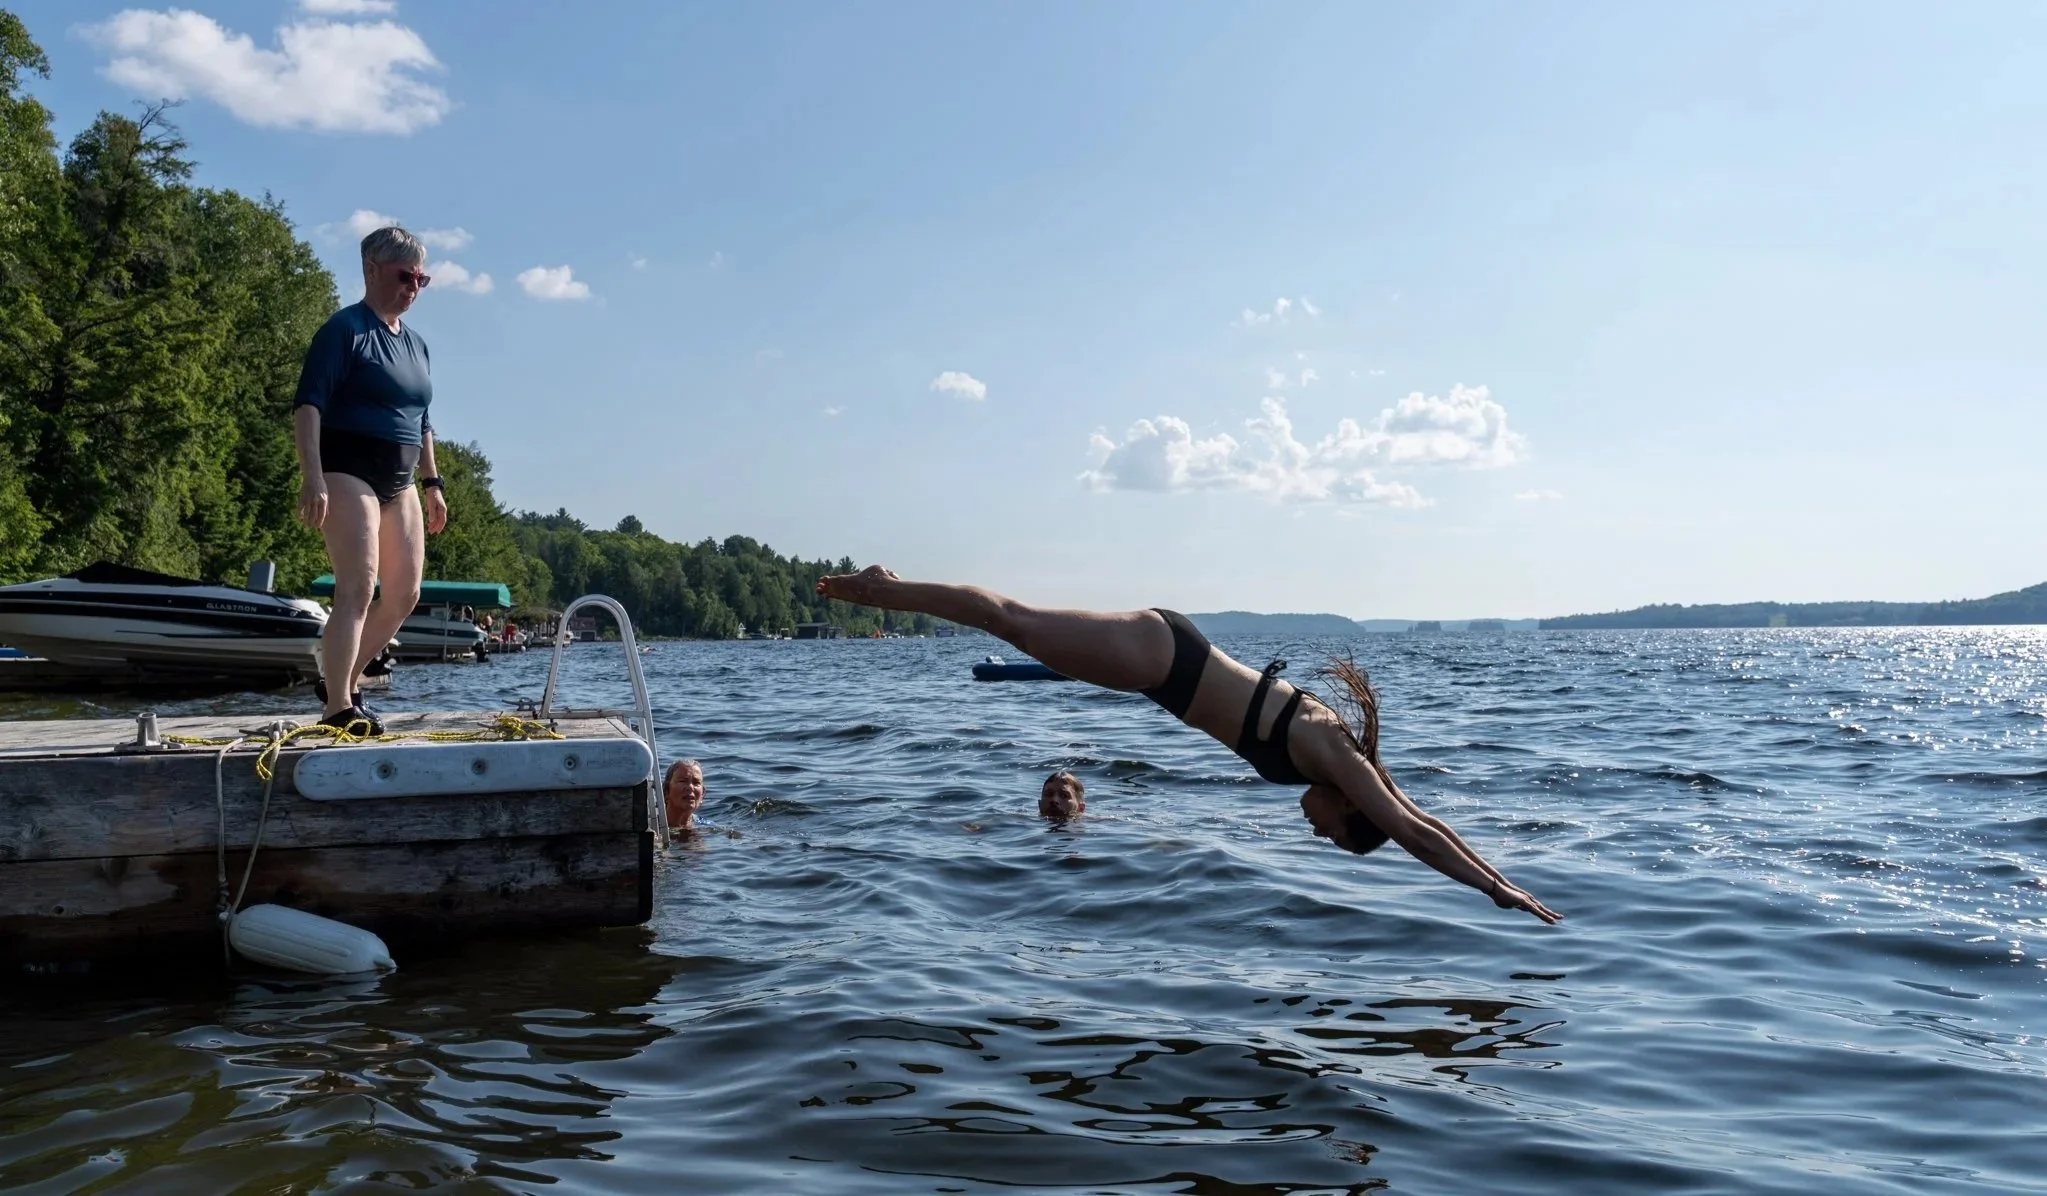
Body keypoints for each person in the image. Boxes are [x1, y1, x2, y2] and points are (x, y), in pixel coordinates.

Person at [817, 566, 1560, 923]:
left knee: (1021, 626)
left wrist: (1496, 875)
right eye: (1331, 834)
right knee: (1014, 623)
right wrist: (1494, 888)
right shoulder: (1336, 761)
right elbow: (1411, 836)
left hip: (1164, 665)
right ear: (1346, 809)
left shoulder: (1346, 762)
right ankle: (890, 588)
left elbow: (1424, 821)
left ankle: (895, 588)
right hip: (1164, 660)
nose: (1314, 830)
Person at [292, 226, 447, 733]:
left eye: (422, 278)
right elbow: (309, 404)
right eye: (406, 276)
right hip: (346, 470)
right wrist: (311, 475)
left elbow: (423, 421)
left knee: (404, 595)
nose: (414, 287)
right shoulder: (345, 330)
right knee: (357, 588)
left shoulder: (418, 346)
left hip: (400, 480)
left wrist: (433, 484)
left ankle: (344, 680)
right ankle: (337, 707)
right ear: (372, 269)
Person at [664, 758, 705, 833]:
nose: (690, 787)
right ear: (666, 791)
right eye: (682, 781)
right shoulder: (647, 827)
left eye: (696, 783)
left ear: (702, 795)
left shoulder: (707, 828)